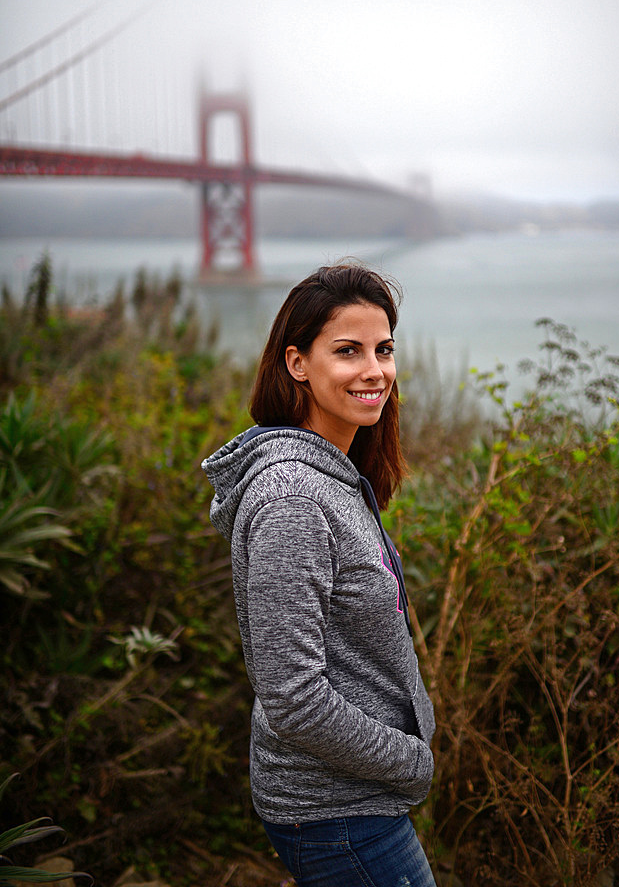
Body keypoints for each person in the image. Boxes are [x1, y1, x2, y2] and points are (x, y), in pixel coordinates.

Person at [202, 262, 436, 887]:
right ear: (297, 363)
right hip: (336, 812)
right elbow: (294, 697)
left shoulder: (331, 475)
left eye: (384, 349)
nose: (375, 370)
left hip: (352, 800)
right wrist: (409, 761)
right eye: (347, 351)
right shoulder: (294, 500)